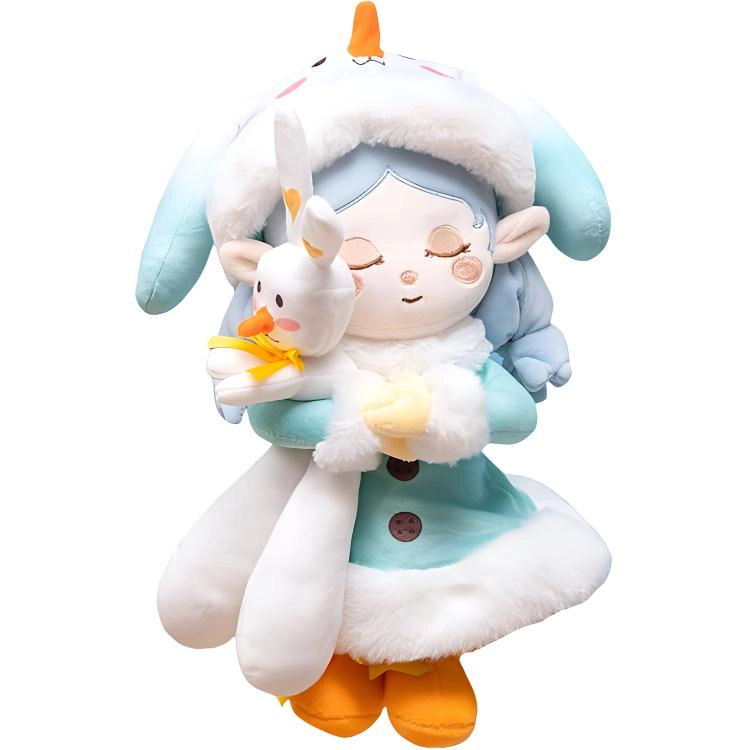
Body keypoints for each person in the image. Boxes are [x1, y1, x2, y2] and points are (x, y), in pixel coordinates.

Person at [137, 4, 612, 747]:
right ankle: (340, 657)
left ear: (501, 241)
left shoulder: (465, 346)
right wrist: (358, 416)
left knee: (450, 592)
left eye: (447, 245)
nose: (409, 273)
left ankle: (430, 659)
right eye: (359, 256)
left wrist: (438, 413)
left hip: (460, 522)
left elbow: (515, 416)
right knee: (327, 581)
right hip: (335, 543)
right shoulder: (309, 359)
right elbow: (277, 419)